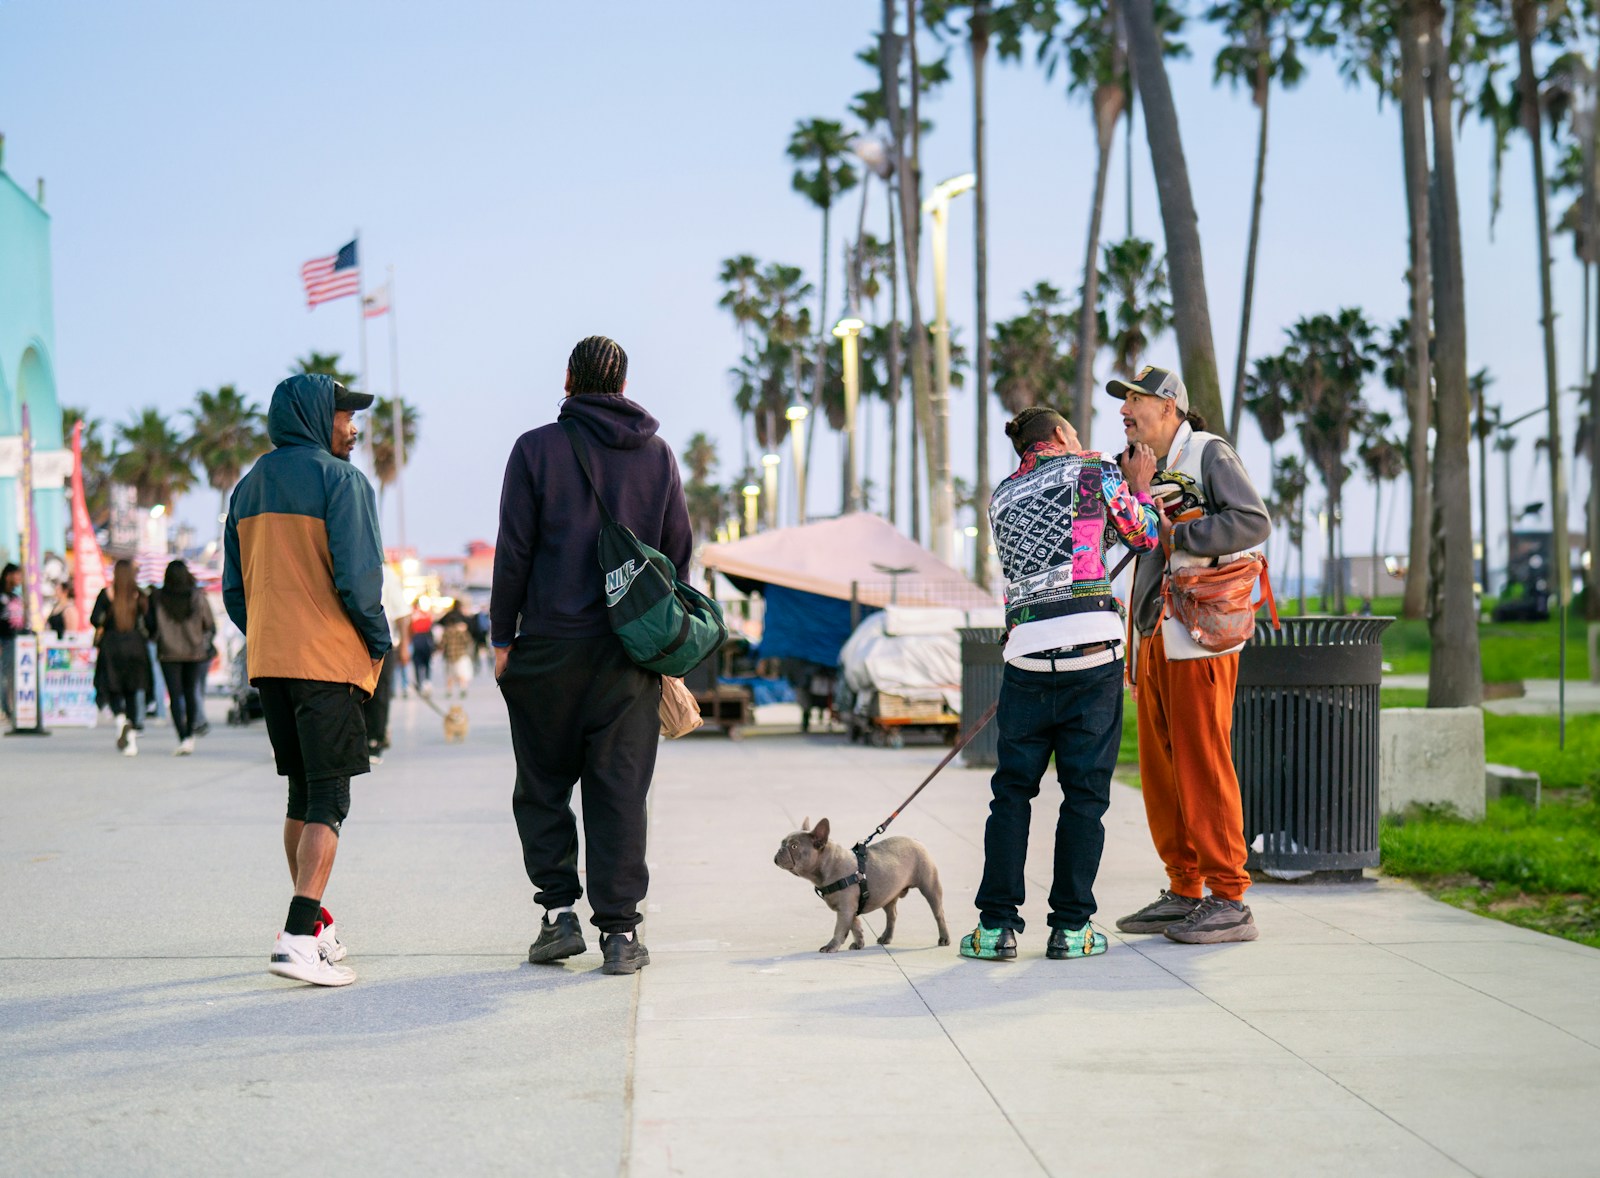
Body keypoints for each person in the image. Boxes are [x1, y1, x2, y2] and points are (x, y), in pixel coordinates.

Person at [490, 335, 692, 976]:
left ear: (568, 380)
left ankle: (558, 917)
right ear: (624, 386)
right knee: (620, 792)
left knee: (542, 786)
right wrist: (662, 644)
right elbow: (677, 554)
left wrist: (502, 638)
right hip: (627, 658)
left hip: (548, 648)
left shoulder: (535, 450)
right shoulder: (657, 455)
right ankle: (621, 933)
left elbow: (514, 551)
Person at [959, 406, 1160, 962]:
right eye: (1074, 431)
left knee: (1011, 794)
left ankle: (995, 928)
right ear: (1060, 435)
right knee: (1084, 796)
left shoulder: (1001, 497)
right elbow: (1142, 536)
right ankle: (1071, 930)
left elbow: (1062, 552)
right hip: (1091, 657)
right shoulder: (1094, 469)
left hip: (1025, 658)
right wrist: (1140, 489)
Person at [223, 373, 389, 987]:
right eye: (345, 416)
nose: (354, 427)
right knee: (329, 800)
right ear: (319, 417)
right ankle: (296, 938)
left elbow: (235, 591)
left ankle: (315, 926)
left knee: (301, 794)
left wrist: (272, 633)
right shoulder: (341, 481)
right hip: (326, 662)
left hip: (271, 664)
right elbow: (360, 581)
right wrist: (377, 640)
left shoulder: (246, 488)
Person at [1109, 366, 1272, 945]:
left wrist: (1179, 535)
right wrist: (1134, 494)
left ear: (1169, 406)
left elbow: (1252, 521)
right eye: (1124, 400)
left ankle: (1230, 897)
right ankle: (1185, 888)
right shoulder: (1143, 466)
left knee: (1202, 761)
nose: (1125, 410)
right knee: (1161, 770)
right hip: (1156, 632)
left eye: (1136, 399)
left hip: (1199, 633)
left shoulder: (1207, 451)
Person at [147, 560, 216, 756]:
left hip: (168, 653)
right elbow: (210, 624)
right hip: (194, 652)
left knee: (175, 695)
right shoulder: (197, 597)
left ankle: (183, 736)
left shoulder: (157, 598)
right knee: (190, 692)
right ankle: (190, 735)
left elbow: (150, 626)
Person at [91, 559, 153, 756]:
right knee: (133, 691)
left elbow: (94, 619)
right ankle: (132, 738)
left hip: (111, 646)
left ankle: (120, 718)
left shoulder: (106, 594)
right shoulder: (140, 595)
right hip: (135, 647)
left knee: (114, 688)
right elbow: (151, 624)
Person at [362, 561, 411, 763]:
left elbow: (401, 613)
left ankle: (376, 739)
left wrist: (405, 645)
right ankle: (363, 738)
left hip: (383, 642)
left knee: (379, 692)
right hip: (353, 643)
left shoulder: (387, 573)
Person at [1, 563, 21, 722]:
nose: (19, 578)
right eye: (17, 574)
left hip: (15, 641)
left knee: (11, 676)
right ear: (8, 575)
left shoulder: (15, 597)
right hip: (3, 641)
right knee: (3, 677)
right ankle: (3, 709)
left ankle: (11, 709)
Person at [438, 606, 474, 698]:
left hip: (449, 657)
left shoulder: (446, 632)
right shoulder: (461, 632)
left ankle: (449, 691)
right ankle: (463, 688)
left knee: (449, 674)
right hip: (460, 655)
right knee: (461, 673)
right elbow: (468, 641)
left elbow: (442, 644)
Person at [409, 608, 435, 694]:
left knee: (417, 664)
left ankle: (419, 682)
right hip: (425, 642)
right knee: (427, 664)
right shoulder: (427, 618)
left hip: (417, 642)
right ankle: (426, 681)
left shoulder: (414, 618)